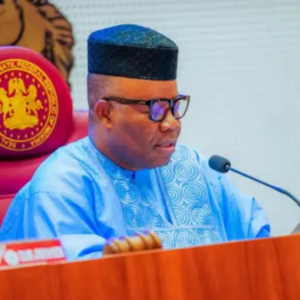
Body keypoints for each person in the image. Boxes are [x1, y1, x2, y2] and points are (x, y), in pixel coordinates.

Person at [0, 24, 270, 260]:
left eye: (175, 105)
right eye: (155, 109)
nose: (172, 123)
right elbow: (69, 284)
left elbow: (265, 249)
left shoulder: (196, 167)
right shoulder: (62, 185)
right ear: (106, 113)